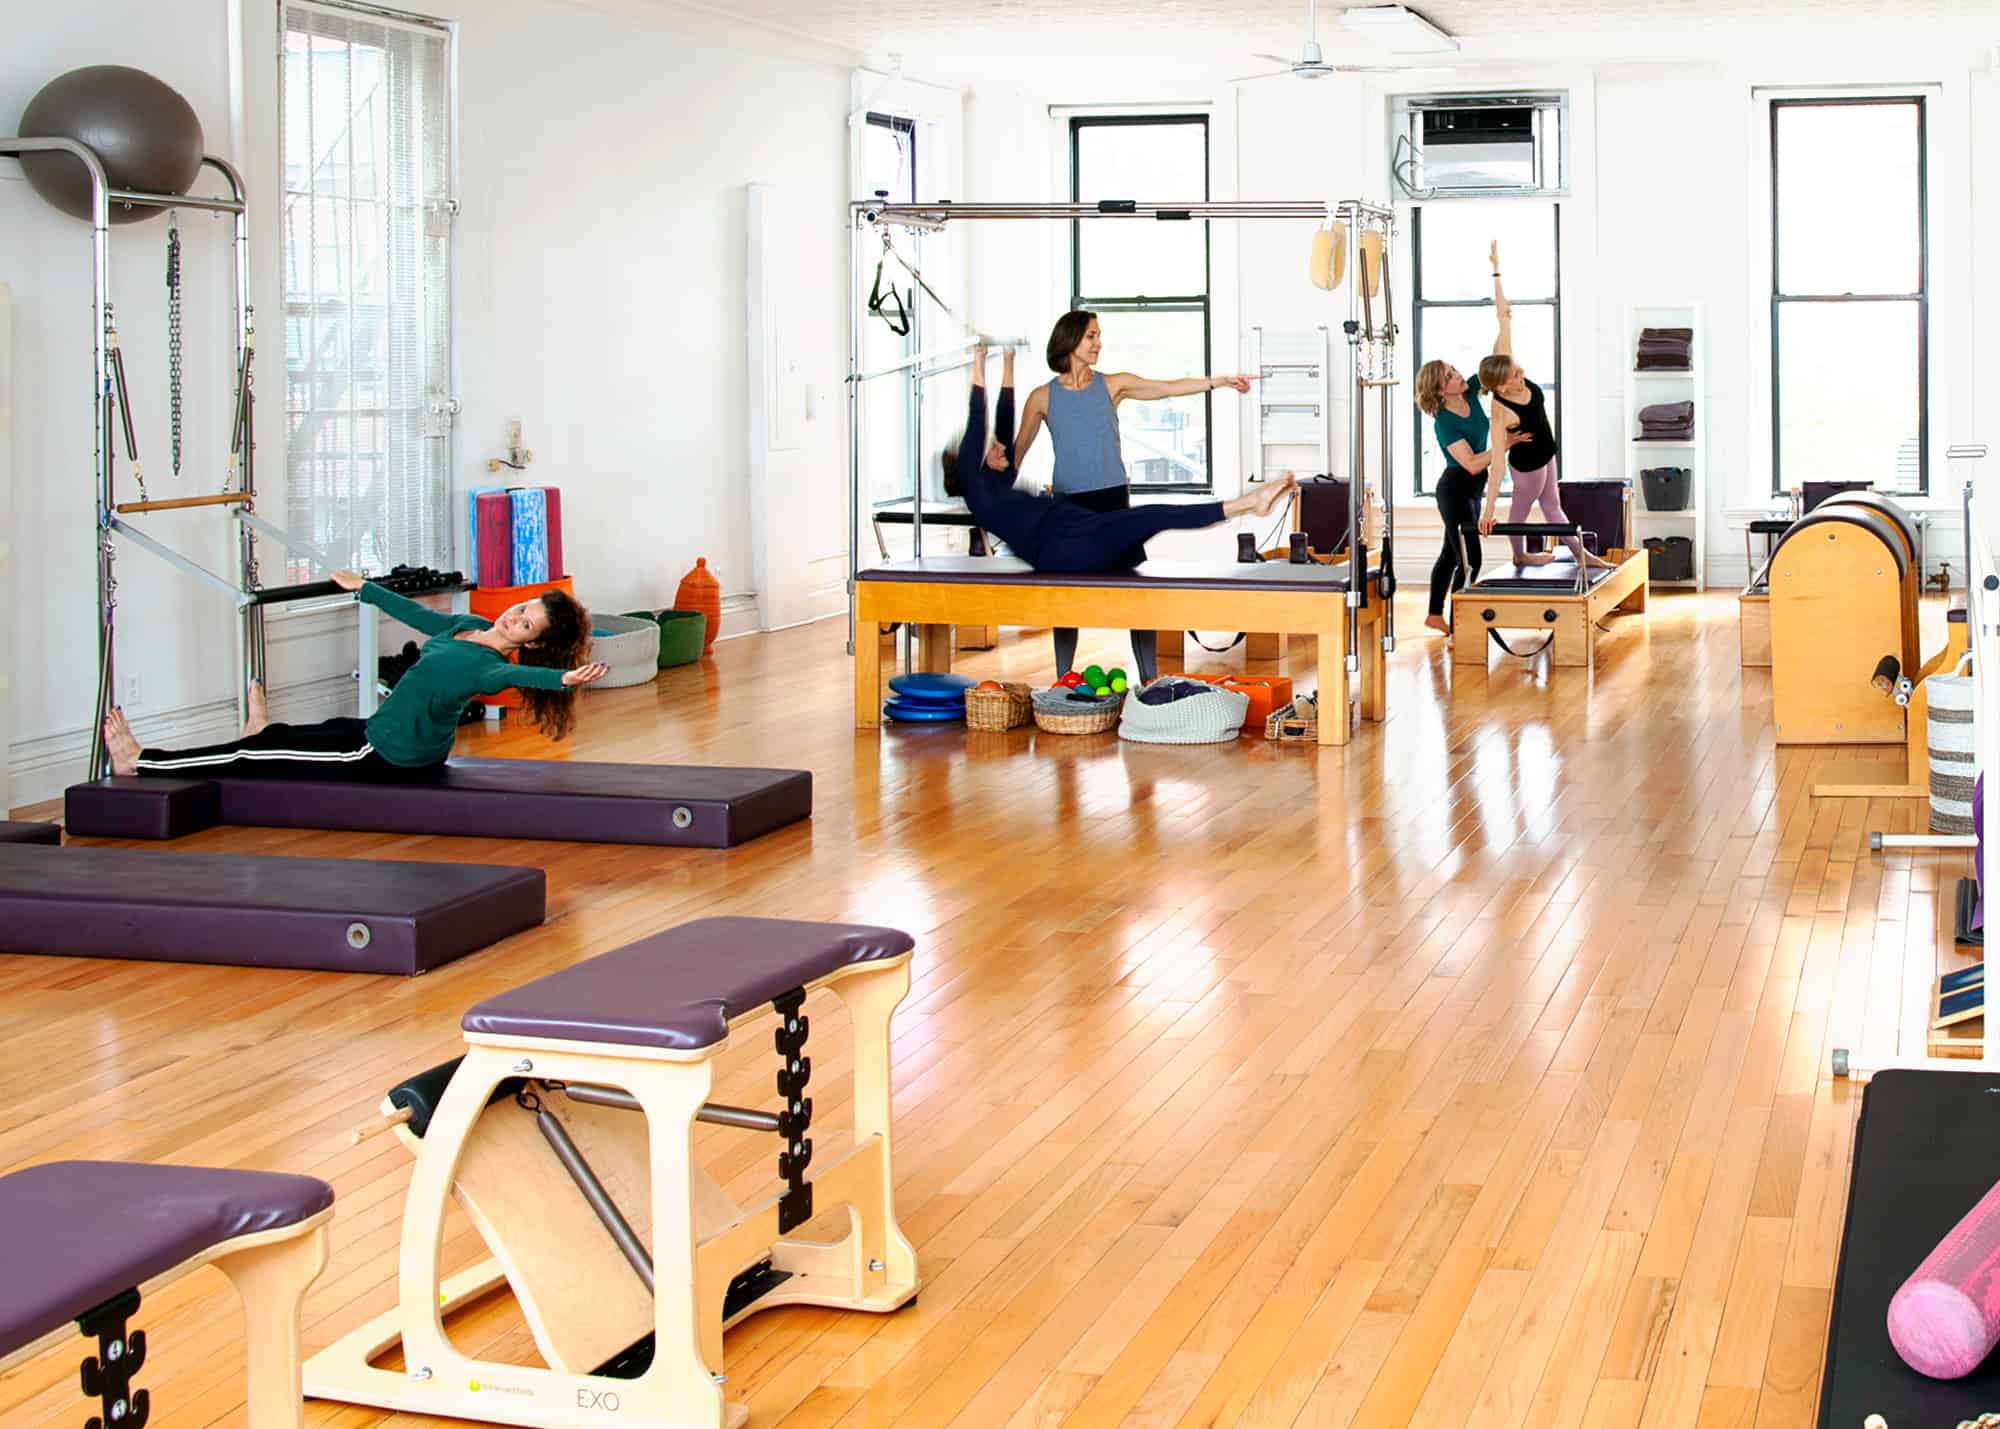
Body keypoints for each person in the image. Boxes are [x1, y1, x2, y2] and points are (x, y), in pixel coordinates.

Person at [945, 345, 1293, 681]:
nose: (1002, 445)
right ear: (971, 462)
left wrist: (1007, 360)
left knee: (1151, 518)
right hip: (1062, 546)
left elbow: (1003, 420)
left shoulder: (998, 480)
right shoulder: (979, 491)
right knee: (1153, 516)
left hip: (1075, 526)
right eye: (992, 446)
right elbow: (979, 420)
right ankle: (1249, 503)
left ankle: (1249, 503)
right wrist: (977, 359)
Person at [102, 573, 608, 780]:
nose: (513, 617)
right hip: (379, 731)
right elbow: (419, 618)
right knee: (282, 736)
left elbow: (519, 680)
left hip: (389, 755)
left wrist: (562, 681)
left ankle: (141, 762)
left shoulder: (489, 665)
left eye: (526, 624)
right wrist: (365, 587)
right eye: (521, 608)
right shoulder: (470, 627)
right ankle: (263, 733)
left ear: (534, 642)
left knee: (252, 756)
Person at [1010, 310, 1260, 680]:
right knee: (1068, 598)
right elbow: (1016, 455)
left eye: (1098, 336)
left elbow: (1167, 388)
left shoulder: (1113, 385)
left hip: (1113, 502)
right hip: (1068, 509)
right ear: (1070, 340)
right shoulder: (1041, 398)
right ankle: (1064, 680)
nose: (1098, 344)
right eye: (1091, 336)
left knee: (1136, 591)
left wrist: (1219, 381)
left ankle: (1148, 679)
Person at [1478, 242, 1613, 571]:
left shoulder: (1504, 359)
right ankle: (1522, 555)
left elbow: (1503, 314)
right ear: (1499, 386)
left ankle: (1582, 557)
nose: (1522, 375)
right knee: (1525, 513)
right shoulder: (1501, 412)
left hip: (1547, 452)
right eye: (1514, 377)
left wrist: (1496, 271)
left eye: (1520, 370)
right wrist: (1487, 510)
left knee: (1554, 505)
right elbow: (1497, 464)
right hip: (1528, 466)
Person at [1413, 350, 1528, 639]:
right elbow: (1473, 464)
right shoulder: (1444, 423)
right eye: (1451, 376)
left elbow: (1493, 362)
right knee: (1470, 559)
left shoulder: (1471, 390)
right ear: (1440, 390)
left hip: (1472, 492)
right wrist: (1506, 444)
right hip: (1455, 490)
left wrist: (1504, 324)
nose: (1459, 375)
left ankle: (1434, 615)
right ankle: (1459, 629)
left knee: (1451, 554)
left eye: (1454, 368)